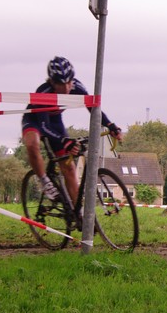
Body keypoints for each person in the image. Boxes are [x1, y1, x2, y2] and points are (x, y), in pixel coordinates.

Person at [21, 56, 122, 206]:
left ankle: (78, 212)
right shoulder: (43, 92)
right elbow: (44, 127)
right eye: (62, 84)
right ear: (53, 83)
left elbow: (93, 109)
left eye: (69, 82)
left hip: (55, 122)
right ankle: (44, 181)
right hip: (35, 121)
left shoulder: (77, 87)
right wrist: (64, 141)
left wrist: (110, 125)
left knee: (69, 168)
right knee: (32, 143)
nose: (67, 88)